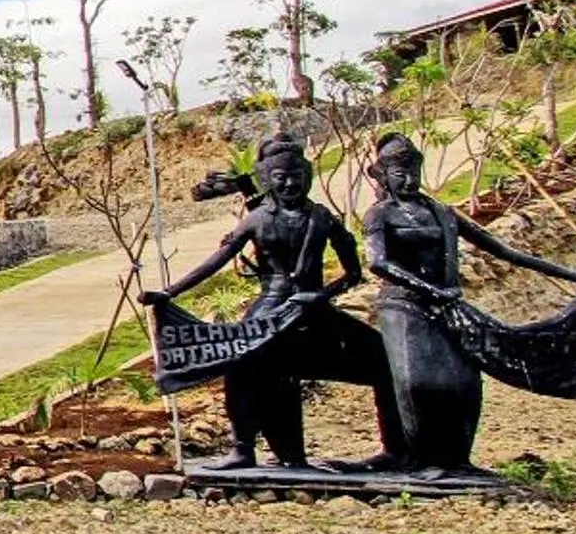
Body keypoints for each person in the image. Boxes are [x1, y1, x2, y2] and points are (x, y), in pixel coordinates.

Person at [141, 133, 403, 471]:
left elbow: (354, 273)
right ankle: (242, 447)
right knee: (241, 365)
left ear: (308, 177)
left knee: (384, 359)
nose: (290, 184)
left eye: (297, 176)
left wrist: (322, 294)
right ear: (268, 180)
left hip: (316, 310)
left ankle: (395, 449)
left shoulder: (322, 218)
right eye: (280, 178)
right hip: (270, 308)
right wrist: (170, 292)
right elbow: (218, 260)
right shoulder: (257, 219)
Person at [362, 132, 576, 479]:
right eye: (398, 172)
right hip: (404, 307)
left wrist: (573, 274)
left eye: (412, 170)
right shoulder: (380, 214)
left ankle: (456, 460)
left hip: (447, 307)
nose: (408, 179)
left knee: (464, 381)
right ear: (384, 176)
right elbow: (378, 263)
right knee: (417, 384)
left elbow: (503, 250)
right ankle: (419, 459)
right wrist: (428, 289)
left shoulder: (441, 212)